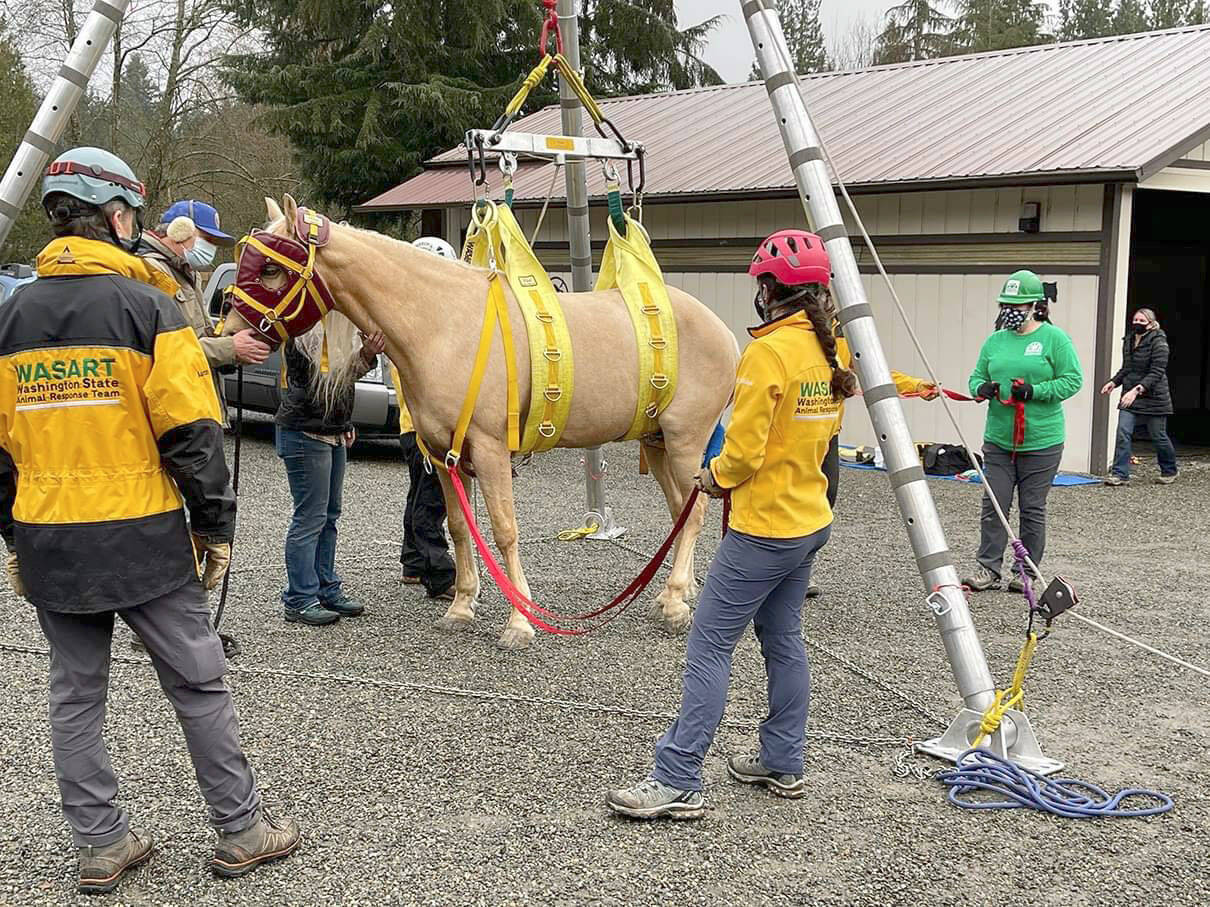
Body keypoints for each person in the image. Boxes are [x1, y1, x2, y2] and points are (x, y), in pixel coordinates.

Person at [0, 147, 299, 894]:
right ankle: (242, 829)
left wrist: (15, 535)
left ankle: (100, 845)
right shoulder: (149, 310)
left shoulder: (9, 320)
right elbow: (194, 433)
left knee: (75, 695)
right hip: (143, 535)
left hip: (49, 539)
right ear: (120, 217)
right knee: (198, 682)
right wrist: (215, 526)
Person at [605, 229, 852, 819]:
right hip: (809, 517)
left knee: (709, 645)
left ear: (771, 290)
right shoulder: (833, 348)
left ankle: (678, 776)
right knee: (783, 639)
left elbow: (741, 454)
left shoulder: (768, 352)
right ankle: (783, 760)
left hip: (764, 526)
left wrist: (712, 476)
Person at [961, 270, 1083, 594]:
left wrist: (1036, 391)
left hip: (1042, 440)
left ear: (1034, 305)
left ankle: (1025, 571)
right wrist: (981, 388)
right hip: (999, 439)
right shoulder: (995, 341)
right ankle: (988, 568)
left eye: (1017, 304)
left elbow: (1073, 380)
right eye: (1005, 303)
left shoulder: (1055, 339)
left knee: (1032, 507)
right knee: (995, 504)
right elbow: (974, 378)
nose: (1010, 310)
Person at [808, 305, 939, 597]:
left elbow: (872, 371)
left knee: (824, 502)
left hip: (828, 435)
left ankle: (802, 569)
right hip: (795, 436)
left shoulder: (842, 330)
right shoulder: (796, 328)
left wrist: (916, 386)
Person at [276, 310, 386, 625]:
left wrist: (343, 421)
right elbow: (327, 377)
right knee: (310, 518)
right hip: (305, 431)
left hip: (330, 429)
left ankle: (325, 587)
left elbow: (338, 379)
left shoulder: (332, 325)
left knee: (328, 517)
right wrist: (364, 354)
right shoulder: (305, 326)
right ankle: (300, 598)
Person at [139, 199, 271, 421]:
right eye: (206, 239)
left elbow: (195, 338)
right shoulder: (150, 271)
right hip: (173, 415)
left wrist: (233, 344)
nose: (211, 248)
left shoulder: (189, 274)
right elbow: (160, 351)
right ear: (179, 230)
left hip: (195, 408)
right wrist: (229, 348)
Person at [392, 237, 455, 601]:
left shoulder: (408, 316)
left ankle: (413, 563)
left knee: (418, 495)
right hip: (423, 427)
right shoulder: (420, 325)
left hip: (410, 426)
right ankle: (440, 574)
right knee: (431, 503)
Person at [1101, 308, 1176, 486]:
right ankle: (1120, 474)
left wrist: (1136, 390)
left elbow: (1157, 371)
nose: (1137, 323)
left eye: (1142, 321)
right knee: (1123, 433)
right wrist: (1114, 382)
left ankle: (1169, 469)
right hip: (1130, 395)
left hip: (1154, 396)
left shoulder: (1159, 342)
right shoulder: (1128, 340)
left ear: (1151, 323)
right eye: (1135, 320)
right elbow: (1127, 368)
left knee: (1158, 436)